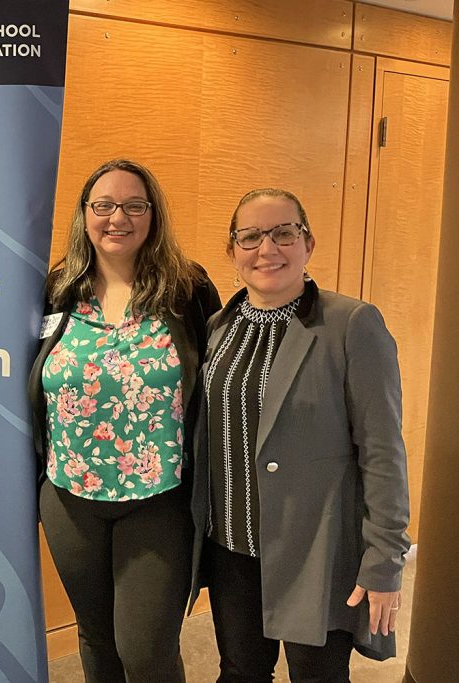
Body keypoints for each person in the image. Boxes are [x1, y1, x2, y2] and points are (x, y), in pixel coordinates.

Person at [189, 188, 411, 682]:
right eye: (250, 237)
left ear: (308, 243)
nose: (267, 249)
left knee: (318, 676)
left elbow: (383, 454)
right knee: (241, 671)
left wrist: (384, 561)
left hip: (318, 549)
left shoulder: (351, 324)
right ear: (232, 251)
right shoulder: (218, 328)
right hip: (233, 548)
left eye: (283, 233)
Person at [29, 159, 221, 682]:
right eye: (104, 205)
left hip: (158, 500)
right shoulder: (57, 289)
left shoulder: (188, 289)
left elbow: (217, 381)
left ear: (153, 215)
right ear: (85, 215)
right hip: (70, 499)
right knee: (95, 639)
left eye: (135, 205)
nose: (119, 217)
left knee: (147, 652)